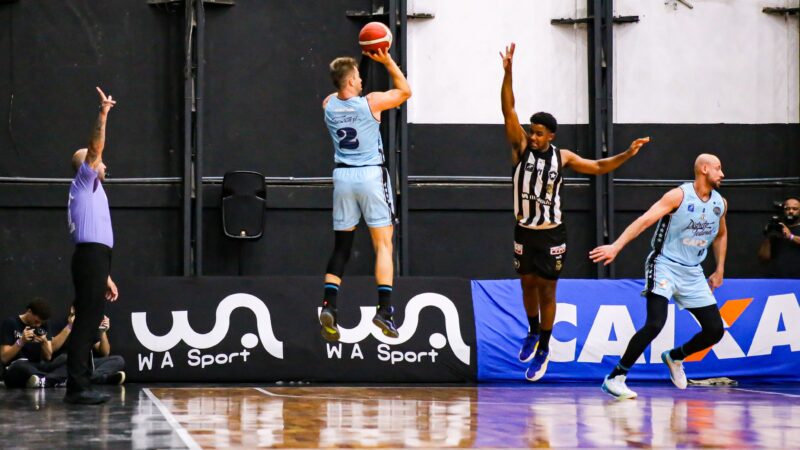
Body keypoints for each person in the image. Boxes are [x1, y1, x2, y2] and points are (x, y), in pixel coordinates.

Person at [500, 42, 650, 381]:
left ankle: (544, 348)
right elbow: (508, 109)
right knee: (526, 284)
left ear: (550, 135)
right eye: (532, 132)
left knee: (547, 289)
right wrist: (508, 72)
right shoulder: (520, 148)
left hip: (553, 232)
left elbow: (597, 165)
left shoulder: (562, 156)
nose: (533, 137)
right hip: (523, 230)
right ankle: (533, 330)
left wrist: (626, 154)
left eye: (539, 133)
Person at [590, 153, 728, 399]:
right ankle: (616, 377)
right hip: (665, 264)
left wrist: (719, 269)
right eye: (718, 168)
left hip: (693, 272)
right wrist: (616, 246)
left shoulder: (720, 203)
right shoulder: (678, 196)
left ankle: (675, 357)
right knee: (655, 323)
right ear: (704, 169)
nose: (722, 174)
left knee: (715, 330)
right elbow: (644, 221)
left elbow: (720, 235)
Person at [318, 48, 412, 342]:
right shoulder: (371, 103)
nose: (361, 81)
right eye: (357, 77)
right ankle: (384, 309)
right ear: (348, 82)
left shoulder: (328, 104)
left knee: (341, 247)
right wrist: (386, 61)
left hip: (343, 177)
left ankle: (329, 305)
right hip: (370, 174)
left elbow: (333, 97)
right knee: (384, 244)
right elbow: (405, 91)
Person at [64, 87, 120, 404]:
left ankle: (82, 382)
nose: (103, 163)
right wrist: (103, 114)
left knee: (91, 319)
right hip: (91, 256)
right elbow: (95, 148)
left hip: (95, 258)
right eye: (97, 160)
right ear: (87, 164)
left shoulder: (93, 192)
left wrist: (106, 276)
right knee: (86, 322)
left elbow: (94, 233)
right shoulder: (85, 181)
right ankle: (77, 388)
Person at [0, 299, 67, 388]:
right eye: (36, 321)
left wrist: (44, 342)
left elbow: (48, 356)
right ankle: (52, 379)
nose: (38, 325)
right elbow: (4, 358)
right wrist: (21, 341)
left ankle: (42, 380)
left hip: (37, 366)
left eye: (41, 323)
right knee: (19, 366)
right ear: (29, 312)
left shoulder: (44, 325)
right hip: (17, 367)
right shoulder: (11, 323)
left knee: (66, 359)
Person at [51, 307, 125, 385]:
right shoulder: (59, 323)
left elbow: (105, 352)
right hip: (66, 361)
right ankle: (102, 378)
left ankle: (90, 378)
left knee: (118, 360)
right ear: (73, 309)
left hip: (85, 363)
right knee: (66, 358)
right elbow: (53, 347)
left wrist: (102, 332)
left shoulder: (88, 326)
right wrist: (70, 326)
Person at [757, 197, 800, 278]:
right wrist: (768, 238)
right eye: (787, 208)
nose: (791, 211)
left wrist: (791, 236)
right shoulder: (777, 229)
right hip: (779, 279)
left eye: (795, 209)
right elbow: (763, 258)